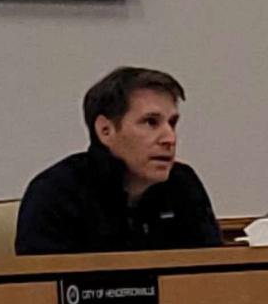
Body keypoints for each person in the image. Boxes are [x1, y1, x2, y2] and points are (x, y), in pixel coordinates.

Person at [15, 66, 221, 255]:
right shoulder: (56, 193)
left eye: (172, 124)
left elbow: (214, 278)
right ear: (105, 130)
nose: (170, 138)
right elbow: (42, 290)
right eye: (151, 122)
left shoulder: (183, 185)